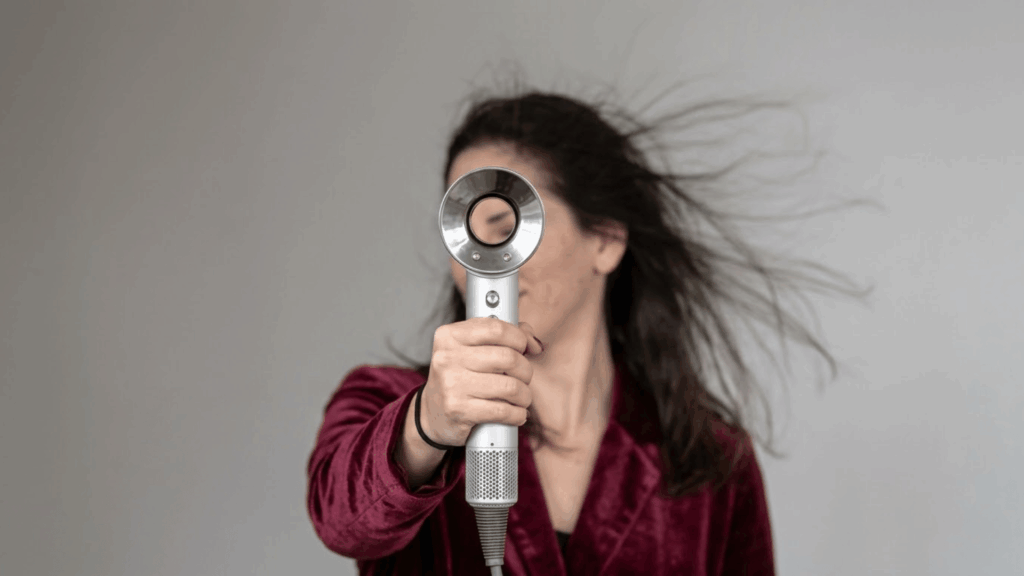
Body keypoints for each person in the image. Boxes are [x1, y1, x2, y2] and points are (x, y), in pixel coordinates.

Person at [307, 88, 850, 575]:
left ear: (606, 240)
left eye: (503, 229)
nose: (482, 263)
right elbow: (343, 523)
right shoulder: (385, 402)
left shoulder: (707, 458)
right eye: (463, 239)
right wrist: (428, 424)